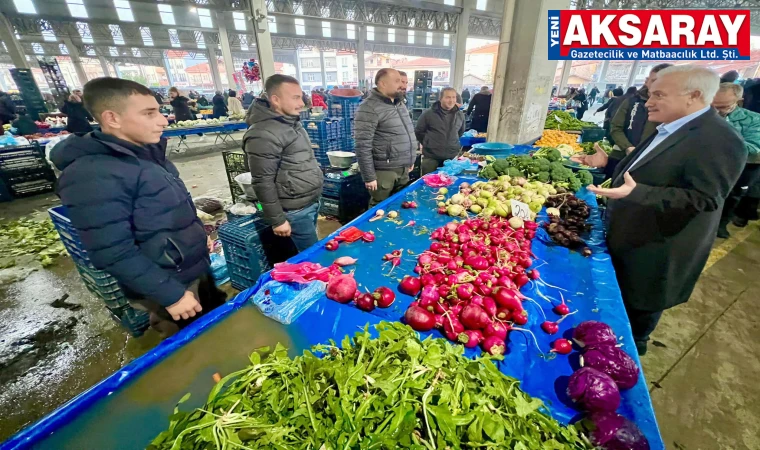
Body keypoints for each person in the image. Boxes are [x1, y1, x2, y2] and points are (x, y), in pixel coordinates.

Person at [50, 77, 226, 338]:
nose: (164, 120)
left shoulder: (146, 154)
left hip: (190, 269)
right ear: (112, 118)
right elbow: (111, 251)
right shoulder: (91, 174)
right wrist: (171, 295)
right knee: (192, 345)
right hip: (167, 283)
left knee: (216, 328)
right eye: (149, 113)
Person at [589, 65, 745, 356]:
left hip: (657, 248)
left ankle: (627, 360)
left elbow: (705, 199)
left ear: (694, 96)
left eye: (658, 94)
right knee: (616, 305)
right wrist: (609, 164)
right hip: (630, 234)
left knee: (634, 320)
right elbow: (648, 170)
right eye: (650, 93)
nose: (648, 101)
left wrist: (638, 193)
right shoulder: (669, 126)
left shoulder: (719, 139)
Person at [243, 75, 323, 252]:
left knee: (309, 252)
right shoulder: (263, 133)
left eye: (301, 96)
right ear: (275, 100)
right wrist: (278, 220)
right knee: (310, 258)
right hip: (294, 211)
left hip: (309, 202)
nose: (302, 103)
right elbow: (262, 181)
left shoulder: (292, 123)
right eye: (295, 97)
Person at [355, 68, 417, 206]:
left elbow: (406, 132)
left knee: (402, 207)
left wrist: (411, 158)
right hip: (384, 172)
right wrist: (369, 176)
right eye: (397, 81)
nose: (401, 85)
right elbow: (362, 145)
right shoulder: (369, 108)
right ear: (382, 84)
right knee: (380, 208)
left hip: (403, 168)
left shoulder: (399, 103)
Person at [712, 82, 760, 238]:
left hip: (742, 168)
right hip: (712, 164)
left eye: (723, 106)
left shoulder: (754, 120)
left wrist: (721, 141)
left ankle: (721, 224)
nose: (717, 111)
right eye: (714, 105)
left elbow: (754, 147)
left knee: (733, 196)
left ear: (739, 101)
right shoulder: (704, 114)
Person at [608, 63, 672, 177]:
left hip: (650, 164)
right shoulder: (631, 101)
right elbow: (615, 127)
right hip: (621, 158)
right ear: (647, 81)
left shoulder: (672, 108)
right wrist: (627, 147)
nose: (657, 85)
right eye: (654, 80)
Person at [415, 87, 466, 175]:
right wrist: (429, 143)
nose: (451, 100)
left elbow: (460, 132)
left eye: (454, 97)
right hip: (431, 158)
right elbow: (419, 131)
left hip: (452, 158)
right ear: (440, 98)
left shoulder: (460, 115)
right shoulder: (428, 114)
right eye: (448, 97)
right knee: (428, 184)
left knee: (450, 184)